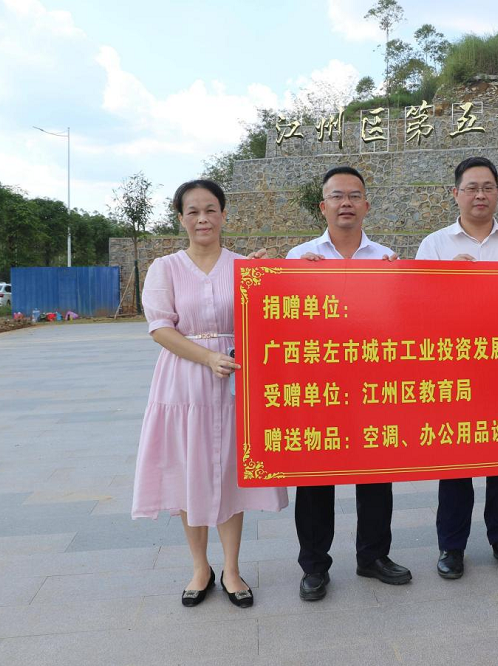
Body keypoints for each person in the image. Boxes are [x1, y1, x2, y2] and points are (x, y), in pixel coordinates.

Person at [132, 179, 288, 608]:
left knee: (229, 469)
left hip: (237, 379)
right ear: (181, 218)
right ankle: (200, 567)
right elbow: (160, 328)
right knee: (190, 469)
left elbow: (273, 312)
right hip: (184, 378)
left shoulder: (244, 266)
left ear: (223, 214)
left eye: (210, 210)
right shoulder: (165, 268)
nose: (203, 219)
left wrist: (276, 273)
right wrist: (205, 357)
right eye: (193, 212)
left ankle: (232, 569)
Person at [286, 165, 410, 602]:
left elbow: (404, 320)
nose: (346, 203)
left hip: (373, 383)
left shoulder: (386, 257)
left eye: (354, 196)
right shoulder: (299, 256)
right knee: (315, 479)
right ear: (323, 206)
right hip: (318, 384)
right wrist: (292, 277)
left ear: (366, 206)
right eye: (337, 196)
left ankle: (373, 556)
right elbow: (281, 320)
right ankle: (314, 566)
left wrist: (403, 280)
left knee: (376, 473)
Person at [415, 156, 498, 580]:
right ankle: (452, 547)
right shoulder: (434, 246)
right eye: (471, 188)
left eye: (487, 187)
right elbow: (416, 307)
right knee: (455, 463)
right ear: (456, 194)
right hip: (453, 369)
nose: (480, 195)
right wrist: (446, 279)